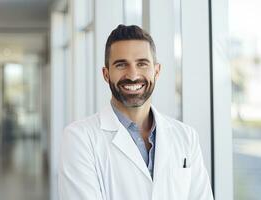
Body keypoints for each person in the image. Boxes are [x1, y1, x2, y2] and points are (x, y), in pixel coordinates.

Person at [58, 24, 214, 200]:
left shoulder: (186, 136)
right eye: (121, 64)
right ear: (106, 74)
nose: (132, 75)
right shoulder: (79, 138)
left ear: (156, 71)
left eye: (142, 64)